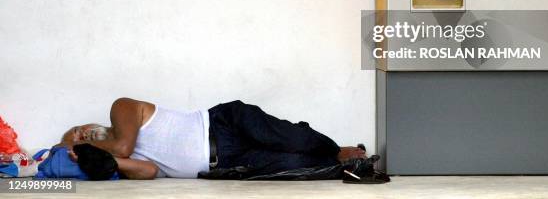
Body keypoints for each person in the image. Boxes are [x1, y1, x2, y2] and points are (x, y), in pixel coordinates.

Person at [59, 98, 367, 180]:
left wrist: (77, 146)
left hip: (224, 125)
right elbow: (150, 171)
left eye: (77, 132)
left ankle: (339, 149)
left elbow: (122, 145)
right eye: (76, 141)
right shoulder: (115, 156)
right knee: (295, 165)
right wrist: (103, 160)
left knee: (295, 140)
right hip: (229, 163)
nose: (81, 137)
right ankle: (347, 163)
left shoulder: (120, 109)